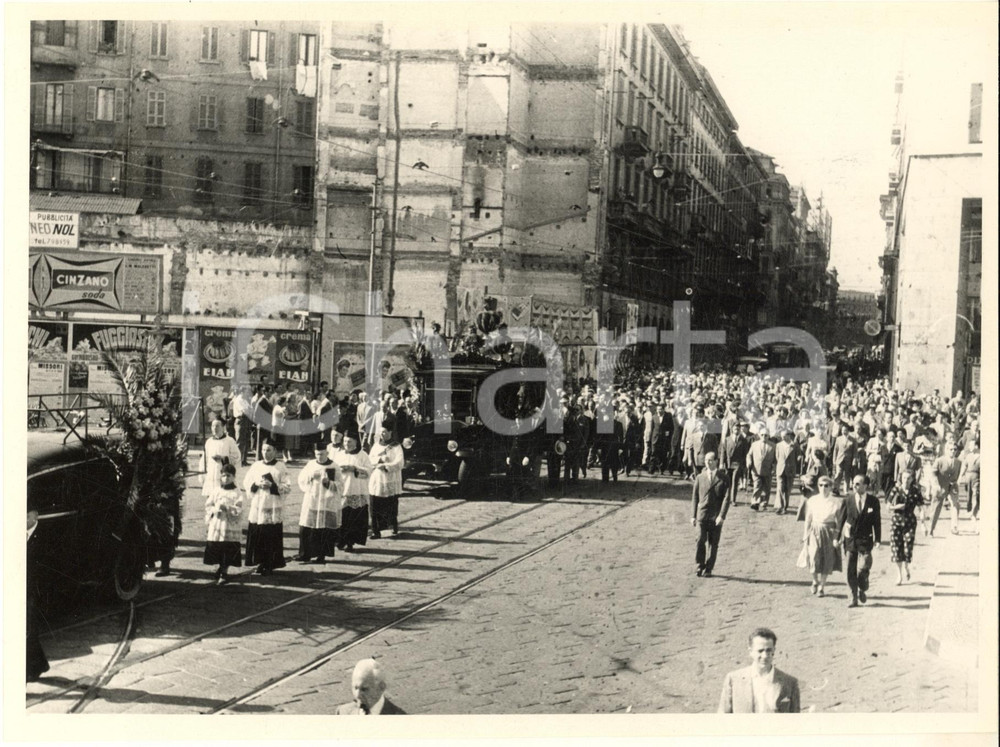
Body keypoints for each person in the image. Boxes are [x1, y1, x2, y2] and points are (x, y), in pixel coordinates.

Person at [718, 628, 801, 713]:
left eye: (769, 650)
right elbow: (722, 719)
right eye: (760, 651)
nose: (765, 656)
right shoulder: (733, 680)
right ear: (750, 651)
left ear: (774, 651)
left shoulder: (790, 683)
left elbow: (795, 721)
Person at [243, 439, 291, 576]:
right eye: (263, 450)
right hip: (258, 504)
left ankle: (270, 563)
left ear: (275, 451)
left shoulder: (280, 467)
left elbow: (287, 486)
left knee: (270, 535)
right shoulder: (256, 465)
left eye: (269, 450)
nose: (265, 453)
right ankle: (259, 562)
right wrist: (256, 484)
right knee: (258, 534)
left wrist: (273, 486)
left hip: (273, 504)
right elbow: (247, 482)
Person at [839, 475, 881, 607]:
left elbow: (877, 521)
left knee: (865, 565)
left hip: (865, 539)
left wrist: (878, 539)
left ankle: (862, 585)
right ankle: (853, 596)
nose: (855, 486)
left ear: (865, 486)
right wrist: (836, 538)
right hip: (850, 539)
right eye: (854, 483)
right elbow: (841, 520)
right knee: (850, 569)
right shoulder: (848, 500)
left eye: (858, 484)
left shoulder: (873, 501)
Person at [295, 442, 340, 564]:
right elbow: (301, 479)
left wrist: (329, 483)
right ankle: (305, 554)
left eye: (322, 454)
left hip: (326, 501)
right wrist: (310, 476)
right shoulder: (310, 464)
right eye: (317, 454)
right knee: (306, 527)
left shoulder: (334, 466)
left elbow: (341, 485)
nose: (319, 457)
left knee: (324, 528)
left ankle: (322, 555)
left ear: (327, 453)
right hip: (312, 499)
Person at [798, 477, 842, 596]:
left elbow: (839, 521)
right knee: (813, 556)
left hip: (829, 530)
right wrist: (805, 534)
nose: (823, 488)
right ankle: (814, 580)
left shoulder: (836, 502)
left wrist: (836, 537)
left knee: (827, 559)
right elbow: (808, 519)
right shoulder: (812, 500)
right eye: (821, 485)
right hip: (815, 530)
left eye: (826, 485)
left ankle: (822, 586)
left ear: (831, 487)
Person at [690, 452, 730, 578]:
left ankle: (709, 567)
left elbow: (726, 498)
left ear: (716, 461)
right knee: (700, 540)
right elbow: (695, 497)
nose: (708, 462)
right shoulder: (700, 477)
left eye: (711, 460)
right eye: (706, 460)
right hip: (702, 515)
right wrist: (693, 515)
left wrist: (722, 516)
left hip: (715, 516)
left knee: (713, 543)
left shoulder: (723, 478)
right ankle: (700, 564)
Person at [203, 462, 243, 584]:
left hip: (229, 525)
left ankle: (224, 570)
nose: (226, 478)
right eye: (224, 475)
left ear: (234, 477)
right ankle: (220, 567)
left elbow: (240, 508)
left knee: (228, 548)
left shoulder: (237, 492)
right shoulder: (216, 490)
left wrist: (229, 509)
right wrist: (215, 509)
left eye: (229, 476)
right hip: (218, 523)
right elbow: (208, 505)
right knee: (218, 547)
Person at [335, 432, 373, 552]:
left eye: (349, 442)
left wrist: (355, 468)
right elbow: (333, 469)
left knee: (353, 517)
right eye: (345, 442)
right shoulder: (339, 454)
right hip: (343, 489)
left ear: (356, 442)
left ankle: (350, 542)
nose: (346, 444)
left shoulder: (363, 455)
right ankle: (341, 540)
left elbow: (369, 471)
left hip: (357, 489)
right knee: (342, 516)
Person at [885, 469, 921, 585]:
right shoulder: (895, 490)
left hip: (910, 522)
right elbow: (887, 506)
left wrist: (924, 524)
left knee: (908, 548)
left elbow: (921, 506)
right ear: (901, 478)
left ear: (912, 479)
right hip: (896, 522)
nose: (906, 480)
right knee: (896, 548)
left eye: (908, 478)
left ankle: (906, 567)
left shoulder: (915, 491)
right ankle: (899, 575)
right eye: (904, 478)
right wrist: (897, 507)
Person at [26, 506, 49, 681]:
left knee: (29, 630)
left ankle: (30, 671)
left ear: (35, 516)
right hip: (21, 588)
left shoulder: (43, 537)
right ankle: (39, 664)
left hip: (35, 590)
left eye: (27, 516)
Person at [368, 426, 405, 538]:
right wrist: (379, 460)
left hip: (390, 478)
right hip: (377, 479)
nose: (382, 435)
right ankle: (376, 530)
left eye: (384, 432)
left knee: (391, 504)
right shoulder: (376, 445)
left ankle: (393, 525)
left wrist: (386, 466)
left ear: (390, 432)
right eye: (380, 433)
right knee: (374, 505)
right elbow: (370, 459)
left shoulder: (396, 446)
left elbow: (399, 462)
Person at [335, 658, 406, 715]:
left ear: (381, 687)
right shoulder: (342, 712)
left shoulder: (399, 717)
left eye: (364, 689)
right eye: (355, 688)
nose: (357, 695)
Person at [200, 418, 242, 501]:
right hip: (211, 475)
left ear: (223, 427)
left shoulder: (229, 441)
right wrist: (202, 475)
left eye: (217, 426)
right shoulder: (209, 442)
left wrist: (223, 458)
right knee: (210, 502)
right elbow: (204, 459)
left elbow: (237, 457)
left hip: (223, 475)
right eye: (213, 426)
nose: (214, 428)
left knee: (222, 500)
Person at [929, 442, 962, 536]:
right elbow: (933, 473)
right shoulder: (939, 460)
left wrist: (956, 483)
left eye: (955, 449)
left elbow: (957, 474)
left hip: (952, 487)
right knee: (936, 507)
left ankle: (954, 527)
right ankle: (931, 528)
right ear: (946, 450)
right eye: (951, 449)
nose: (953, 451)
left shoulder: (958, 462)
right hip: (941, 486)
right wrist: (936, 485)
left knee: (955, 505)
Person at [746, 431, 776, 511]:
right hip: (756, 469)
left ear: (768, 436)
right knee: (757, 485)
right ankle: (755, 502)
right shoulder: (754, 444)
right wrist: (749, 461)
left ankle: (764, 503)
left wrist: (774, 468)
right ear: (759, 435)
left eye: (766, 435)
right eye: (762, 435)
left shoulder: (773, 446)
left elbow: (776, 459)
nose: (764, 436)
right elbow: (749, 455)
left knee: (767, 487)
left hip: (768, 470)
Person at [774, 431, 798, 515]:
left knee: (787, 490)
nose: (783, 438)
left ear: (788, 435)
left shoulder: (794, 445)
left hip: (790, 470)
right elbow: (777, 457)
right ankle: (779, 506)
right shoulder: (778, 445)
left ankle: (785, 507)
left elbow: (797, 457)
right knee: (780, 488)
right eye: (782, 436)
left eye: (784, 436)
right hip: (780, 469)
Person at [959, 440, 980, 533]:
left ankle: (974, 514)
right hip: (968, 476)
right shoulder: (968, 456)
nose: (970, 447)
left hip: (976, 476)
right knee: (969, 495)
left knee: (976, 494)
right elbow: (964, 466)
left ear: (976, 446)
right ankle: (969, 507)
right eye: (970, 445)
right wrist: (960, 477)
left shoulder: (980, 456)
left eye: (972, 445)